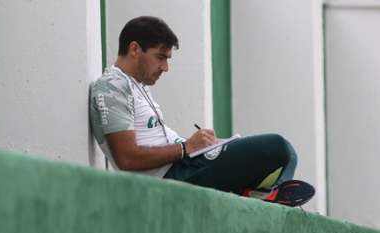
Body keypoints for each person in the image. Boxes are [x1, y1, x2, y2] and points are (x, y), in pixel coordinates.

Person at [89, 16, 314, 206]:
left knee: (286, 153)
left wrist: (204, 145)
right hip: (172, 177)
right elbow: (126, 159)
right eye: (160, 57)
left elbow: (158, 141)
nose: (165, 68)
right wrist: (186, 147)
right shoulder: (112, 86)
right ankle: (264, 192)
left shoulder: (137, 87)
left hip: (185, 165)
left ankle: (261, 192)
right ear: (135, 49)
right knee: (276, 147)